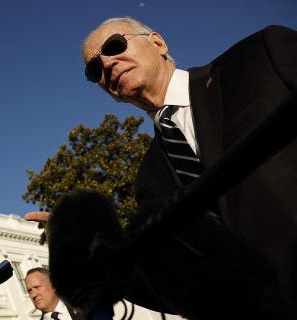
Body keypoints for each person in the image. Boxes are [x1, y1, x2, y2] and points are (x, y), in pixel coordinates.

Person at [80, 17, 296, 317]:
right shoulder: (148, 179)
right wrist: (102, 256)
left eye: (115, 45)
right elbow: (182, 289)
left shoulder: (259, 56)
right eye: (94, 69)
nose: (107, 63)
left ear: (158, 43)